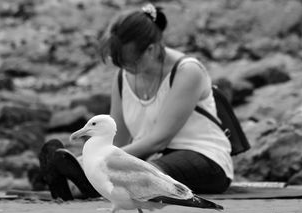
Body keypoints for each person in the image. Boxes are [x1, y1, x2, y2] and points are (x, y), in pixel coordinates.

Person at [37, 3, 233, 200]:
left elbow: (159, 140)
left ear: (151, 49)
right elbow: (117, 141)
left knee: (144, 174)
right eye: (120, 62)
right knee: (129, 172)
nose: (126, 69)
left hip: (206, 160)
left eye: (131, 63)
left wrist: (97, 164)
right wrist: (91, 160)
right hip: (153, 161)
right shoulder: (123, 77)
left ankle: (83, 185)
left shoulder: (187, 71)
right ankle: (76, 183)